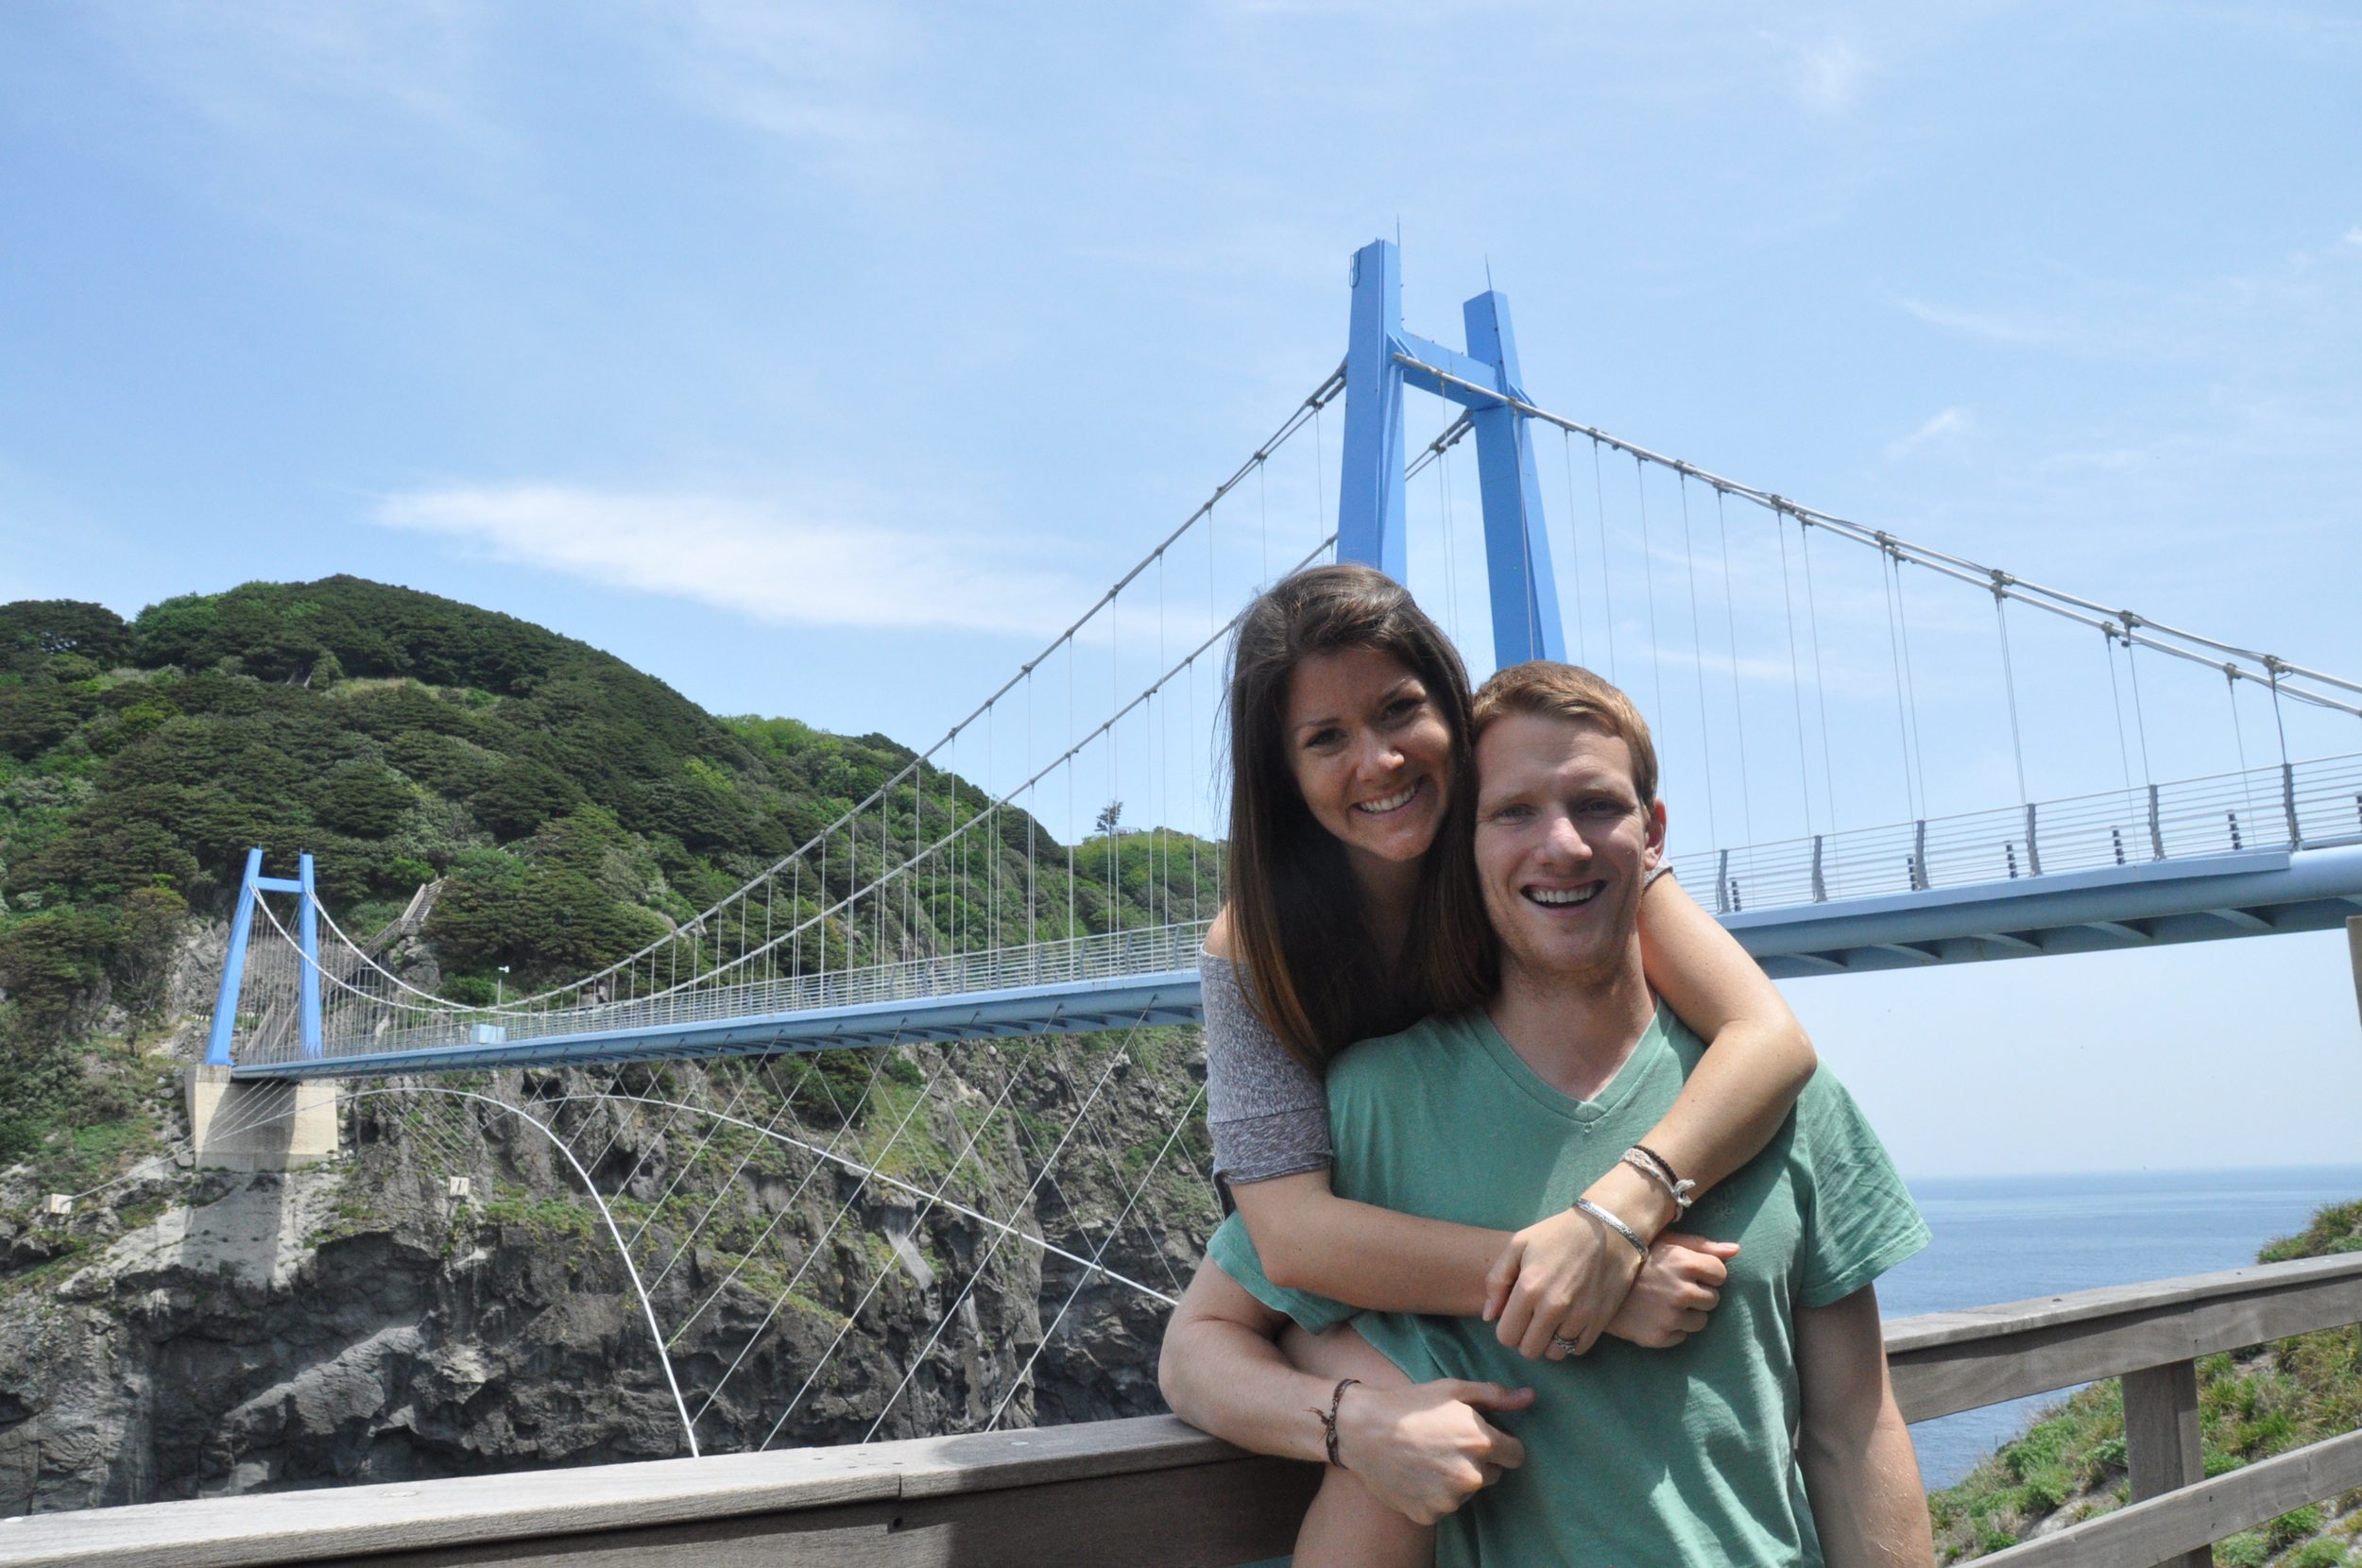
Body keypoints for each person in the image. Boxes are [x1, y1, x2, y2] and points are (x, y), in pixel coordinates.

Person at [1164, 660, 1936, 1565]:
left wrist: (1616, 1219)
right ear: (1466, 845)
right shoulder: (1377, 1107)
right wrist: (1359, 1424)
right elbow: (1200, 1349)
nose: (1562, 845)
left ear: (1652, 833)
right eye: (1514, 811)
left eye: (1597, 806)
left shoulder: (1775, 1097)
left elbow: (1855, 1432)